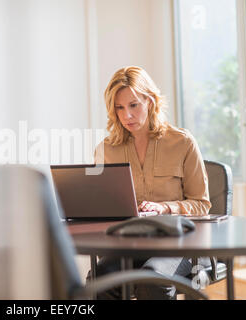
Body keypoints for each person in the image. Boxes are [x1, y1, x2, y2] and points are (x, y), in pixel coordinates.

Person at [89, 66, 212, 300]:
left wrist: (166, 207)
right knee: (99, 278)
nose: (127, 115)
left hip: (181, 243)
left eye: (134, 105)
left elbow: (201, 204)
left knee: (152, 280)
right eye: (119, 108)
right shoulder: (106, 150)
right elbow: (102, 207)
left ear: (151, 101)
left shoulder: (182, 142)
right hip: (132, 242)